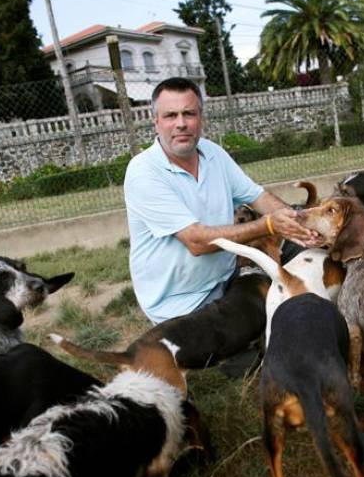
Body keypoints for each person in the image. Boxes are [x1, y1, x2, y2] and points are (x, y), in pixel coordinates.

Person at [124, 77, 321, 325]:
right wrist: (269, 225)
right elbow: (196, 241)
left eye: (189, 113)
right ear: (156, 122)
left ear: (201, 118)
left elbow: (258, 196)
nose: (181, 123)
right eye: (170, 115)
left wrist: (304, 224)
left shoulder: (212, 152)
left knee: (311, 256)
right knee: (279, 322)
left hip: (227, 277)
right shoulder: (144, 171)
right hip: (181, 305)